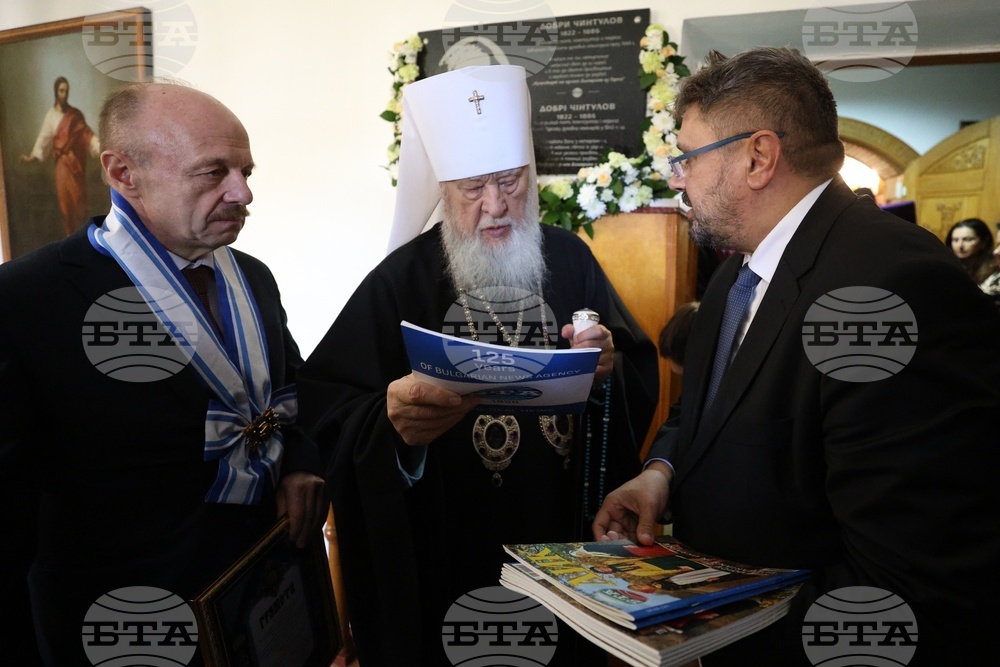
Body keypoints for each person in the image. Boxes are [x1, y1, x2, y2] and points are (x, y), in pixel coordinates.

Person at [592, 47, 1000, 666]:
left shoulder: (889, 287)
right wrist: (661, 473)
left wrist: (701, 635)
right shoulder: (737, 276)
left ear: (758, 157)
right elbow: (709, 408)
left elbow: (909, 579)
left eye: (687, 158)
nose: (676, 180)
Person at [297, 65, 658, 666]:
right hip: (447, 549)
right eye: (472, 189)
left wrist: (607, 367)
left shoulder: (570, 257)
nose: (496, 206)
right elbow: (328, 405)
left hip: (561, 536)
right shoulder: (400, 280)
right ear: (443, 190)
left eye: (511, 181)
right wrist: (392, 426)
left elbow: (635, 370)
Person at [0, 83, 326, 666]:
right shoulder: (26, 299)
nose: (243, 192)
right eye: (213, 172)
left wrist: (300, 460)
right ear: (123, 173)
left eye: (246, 171)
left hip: (261, 595)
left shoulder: (252, 276)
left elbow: (290, 390)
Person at [20, 76, 102, 236]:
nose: (64, 94)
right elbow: (44, 138)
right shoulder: (51, 115)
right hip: (62, 167)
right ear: (56, 92)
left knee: (79, 204)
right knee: (66, 207)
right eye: (61, 91)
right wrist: (33, 156)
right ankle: (70, 238)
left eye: (66, 91)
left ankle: (83, 238)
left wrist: (100, 146)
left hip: (76, 166)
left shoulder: (75, 115)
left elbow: (87, 134)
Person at [945, 217, 994, 284]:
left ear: (984, 242)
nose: (960, 245)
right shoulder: (948, 267)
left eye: (967, 240)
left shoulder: (994, 272)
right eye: (955, 240)